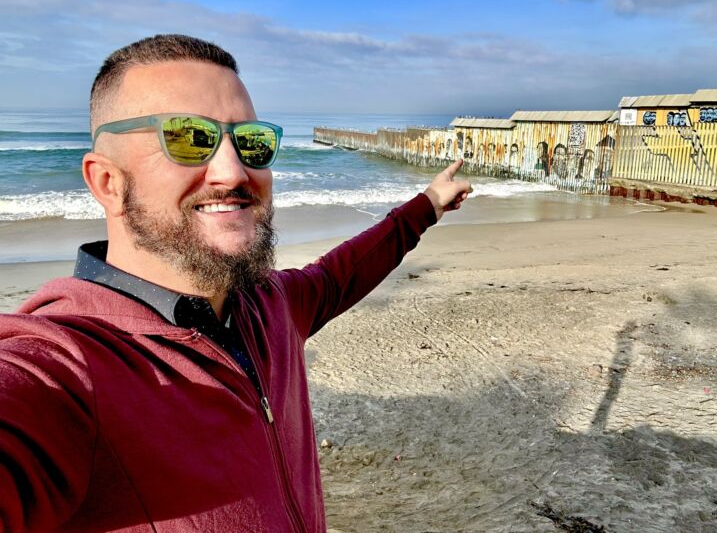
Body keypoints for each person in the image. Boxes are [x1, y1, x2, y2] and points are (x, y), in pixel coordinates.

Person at [0, 34, 472, 532]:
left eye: (251, 142)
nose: (234, 170)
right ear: (107, 183)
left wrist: (428, 206)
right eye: (188, 137)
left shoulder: (270, 306)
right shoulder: (68, 368)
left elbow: (341, 274)